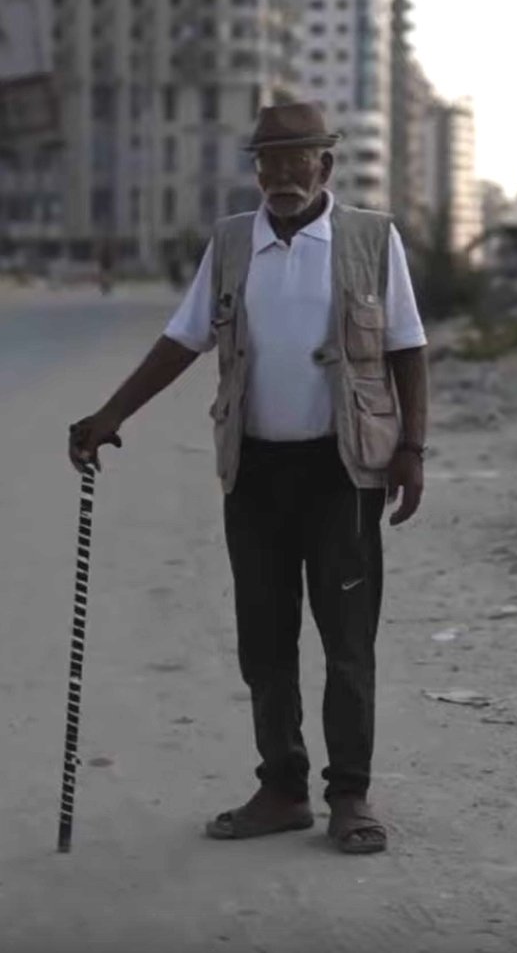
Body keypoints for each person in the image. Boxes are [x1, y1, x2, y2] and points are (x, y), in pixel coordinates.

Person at [68, 102, 429, 856]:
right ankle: (282, 788)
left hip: (344, 469)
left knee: (347, 641)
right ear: (256, 170)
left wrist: (412, 450)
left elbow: (406, 347)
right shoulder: (234, 243)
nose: (284, 176)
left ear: (327, 166)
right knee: (265, 638)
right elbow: (183, 339)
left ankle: (351, 796)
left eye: (300, 160)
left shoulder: (370, 238)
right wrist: (109, 415)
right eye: (270, 162)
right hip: (257, 468)